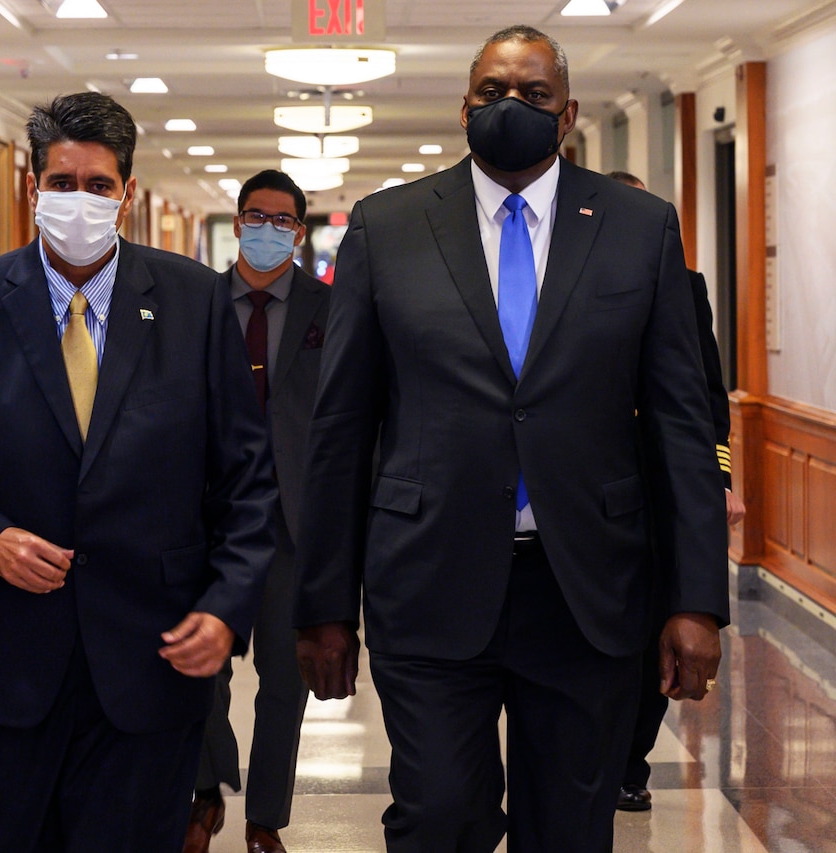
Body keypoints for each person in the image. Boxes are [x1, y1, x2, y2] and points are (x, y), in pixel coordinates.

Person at [292, 25, 731, 852]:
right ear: (464, 107)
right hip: (428, 578)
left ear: (566, 113)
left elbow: (681, 422)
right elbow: (341, 428)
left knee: (568, 827)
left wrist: (696, 598)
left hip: (585, 589)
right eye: (493, 92)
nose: (511, 108)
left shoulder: (640, 228)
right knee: (437, 815)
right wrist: (323, 606)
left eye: (532, 95)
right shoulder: (388, 229)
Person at [0, 91, 277, 853]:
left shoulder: (193, 304)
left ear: (128, 194)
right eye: (61, 182)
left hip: (152, 663)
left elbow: (248, 481)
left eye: (98, 185)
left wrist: (226, 608)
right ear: (31, 188)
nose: (78, 200)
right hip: (3, 665)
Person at [186, 170, 329, 853]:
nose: (267, 229)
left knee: (284, 681)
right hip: (206, 521)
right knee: (197, 667)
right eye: (255, 216)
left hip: (292, 527)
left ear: (299, 233)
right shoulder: (197, 303)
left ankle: (265, 816)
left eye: (283, 221)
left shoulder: (332, 310)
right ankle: (206, 789)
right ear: (237, 221)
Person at [606, 170, 747, 812]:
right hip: (595, 487)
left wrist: (718, 480)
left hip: (665, 490)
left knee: (654, 633)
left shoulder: (685, 290)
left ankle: (629, 761)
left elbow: (706, 402)